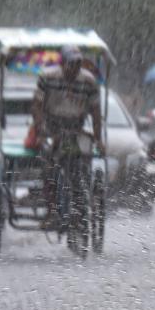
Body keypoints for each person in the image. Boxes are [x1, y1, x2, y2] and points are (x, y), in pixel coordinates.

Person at [31, 45, 105, 225]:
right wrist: (40, 131)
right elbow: (37, 106)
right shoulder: (47, 77)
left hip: (75, 128)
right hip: (52, 127)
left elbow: (95, 112)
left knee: (79, 166)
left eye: (78, 64)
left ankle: (81, 202)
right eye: (71, 64)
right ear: (62, 64)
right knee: (49, 167)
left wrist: (98, 138)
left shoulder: (89, 82)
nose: (74, 68)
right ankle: (52, 211)